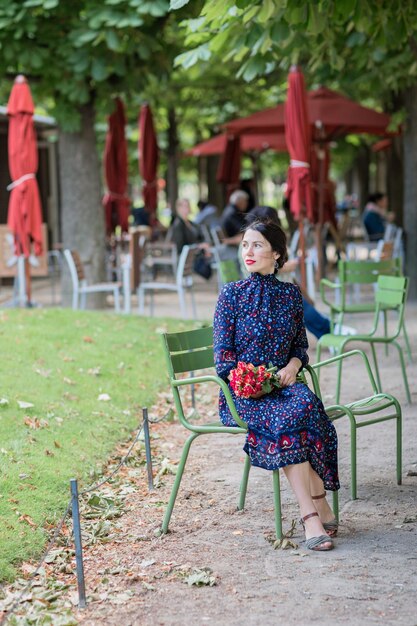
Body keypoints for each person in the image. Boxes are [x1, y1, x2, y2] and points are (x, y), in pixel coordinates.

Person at [213, 218, 339, 551]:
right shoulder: (231, 295)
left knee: (306, 406)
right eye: (244, 245)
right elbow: (223, 361)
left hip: (284, 385)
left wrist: (293, 367)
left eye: (257, 245)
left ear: (277, 254)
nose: (248, 252)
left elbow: (300, 347)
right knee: (286, 421)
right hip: (244, 393)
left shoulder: (290, 295)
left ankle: (318, 499)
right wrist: (250, 380)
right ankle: (311, 514)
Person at [244, 206, 332, 339]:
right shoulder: (251, 245)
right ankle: (331, 331)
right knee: (303, 309)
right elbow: (258, 270)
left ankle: (329, 332)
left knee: (305, 309)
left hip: (284, 286)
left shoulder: (275, 240)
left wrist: (303, 291)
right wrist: (285, 267)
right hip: (268, 291)